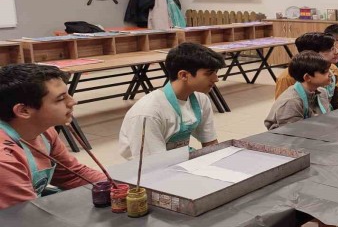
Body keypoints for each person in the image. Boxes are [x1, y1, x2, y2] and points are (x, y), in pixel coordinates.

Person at [0, 64, 105, 210]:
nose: (73, 101)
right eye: (60, 99)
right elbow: (24, 216)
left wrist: (118, 187)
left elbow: (72, 175)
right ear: (23, 110)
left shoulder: (45, 132)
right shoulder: (4, 160)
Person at [119, 42, 225, 159]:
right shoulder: (148, 113)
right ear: (183, 75)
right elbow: (153, 163)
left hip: (178, 158)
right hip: (152, 165)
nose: (216, 79)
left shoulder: (201, 99)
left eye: (216, 72)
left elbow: (210, 143)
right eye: (209, 73)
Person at [274, 32, 338, 109]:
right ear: (312, 55)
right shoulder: (287, 78)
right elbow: (285, 108)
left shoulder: (333, 69)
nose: (337, 51)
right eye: (331, 49)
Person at [265, 51, 332, 130]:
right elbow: (292, 133)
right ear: (307, 77)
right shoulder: (291, 101)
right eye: (324, 72)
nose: (330, 74)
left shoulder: (322, 92)